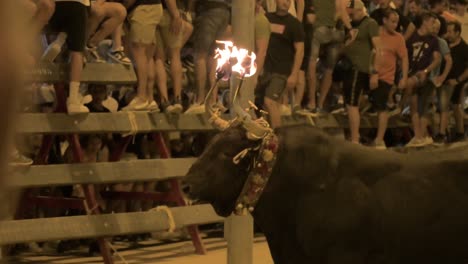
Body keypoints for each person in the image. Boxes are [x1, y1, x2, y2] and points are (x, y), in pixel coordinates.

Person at [255, 0, 304, 128]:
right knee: (264, 106)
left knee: (270, 101)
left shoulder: (294, 24)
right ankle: (266, 137)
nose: (286, 3)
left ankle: (277, 137)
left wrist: (294, 74)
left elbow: (300, 51)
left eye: (289, 1)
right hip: (265, 69)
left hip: (282, 71)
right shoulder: (267, 18)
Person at [305, 0, 353, 115]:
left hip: (320, 31)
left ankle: (311, 103)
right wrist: (350, 29)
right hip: (335, 33)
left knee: (312, 64)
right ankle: (320, 105)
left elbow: (310, 19)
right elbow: (340, 11)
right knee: (329, 69)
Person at [342, 0, 380, 144]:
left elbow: (378, 48)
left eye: (352, 13)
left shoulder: (370, 23)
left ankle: (355, 139)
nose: (351, 16)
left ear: (359, 11)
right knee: (349, 103)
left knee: (352, 105)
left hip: (359, 68)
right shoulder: (353, 26)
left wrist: (375, 72)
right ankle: (354, 136)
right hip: (349, 67)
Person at [43, 0, 91, 114]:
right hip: (77, 4)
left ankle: (58, 41)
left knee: (48, 31)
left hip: (53, 6)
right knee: (77, 52)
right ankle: (73, 99)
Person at [185, 0, 231, 114]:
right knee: (213, 56)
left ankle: (200, 100)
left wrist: (190, 11)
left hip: (208, 10)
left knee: (200, 55)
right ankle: (213, 100)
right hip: (224, 12)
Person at [373, 8, 408, 149]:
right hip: (369, 74)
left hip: (386, 78)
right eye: (392, 22)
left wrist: (404, 77)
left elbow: (404, 58)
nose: (395, 25)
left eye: (397, 22)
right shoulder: (374, 31)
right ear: (384, 20)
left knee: (382, 109)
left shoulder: (398, 38)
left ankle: (379, 140)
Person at [405, 12, 441, 147]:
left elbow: (437, 59)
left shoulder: (434, 40)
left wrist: (426, 71)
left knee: (423, 108)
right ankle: (418, 137)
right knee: (414, 108)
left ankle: (400, 106)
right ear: (424, 21)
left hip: (425, 77)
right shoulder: (412, 37)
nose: (433, 25)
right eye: (432, 21)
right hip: (411, 74)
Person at [122, 0, 163, 111]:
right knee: (147, 57)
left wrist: (123, 7)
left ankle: (141, 97)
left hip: (144, 9)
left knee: (139, 53)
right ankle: (149, 98)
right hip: (151, 8)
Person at [444, 21, 468, 142]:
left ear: (457, 32)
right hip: (445, 81)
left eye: (450, 32)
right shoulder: (445, 45)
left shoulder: (464, 48)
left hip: (458, 82)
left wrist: (458, 80)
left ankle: (459, 132)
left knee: (455, 105)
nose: (447, 34)